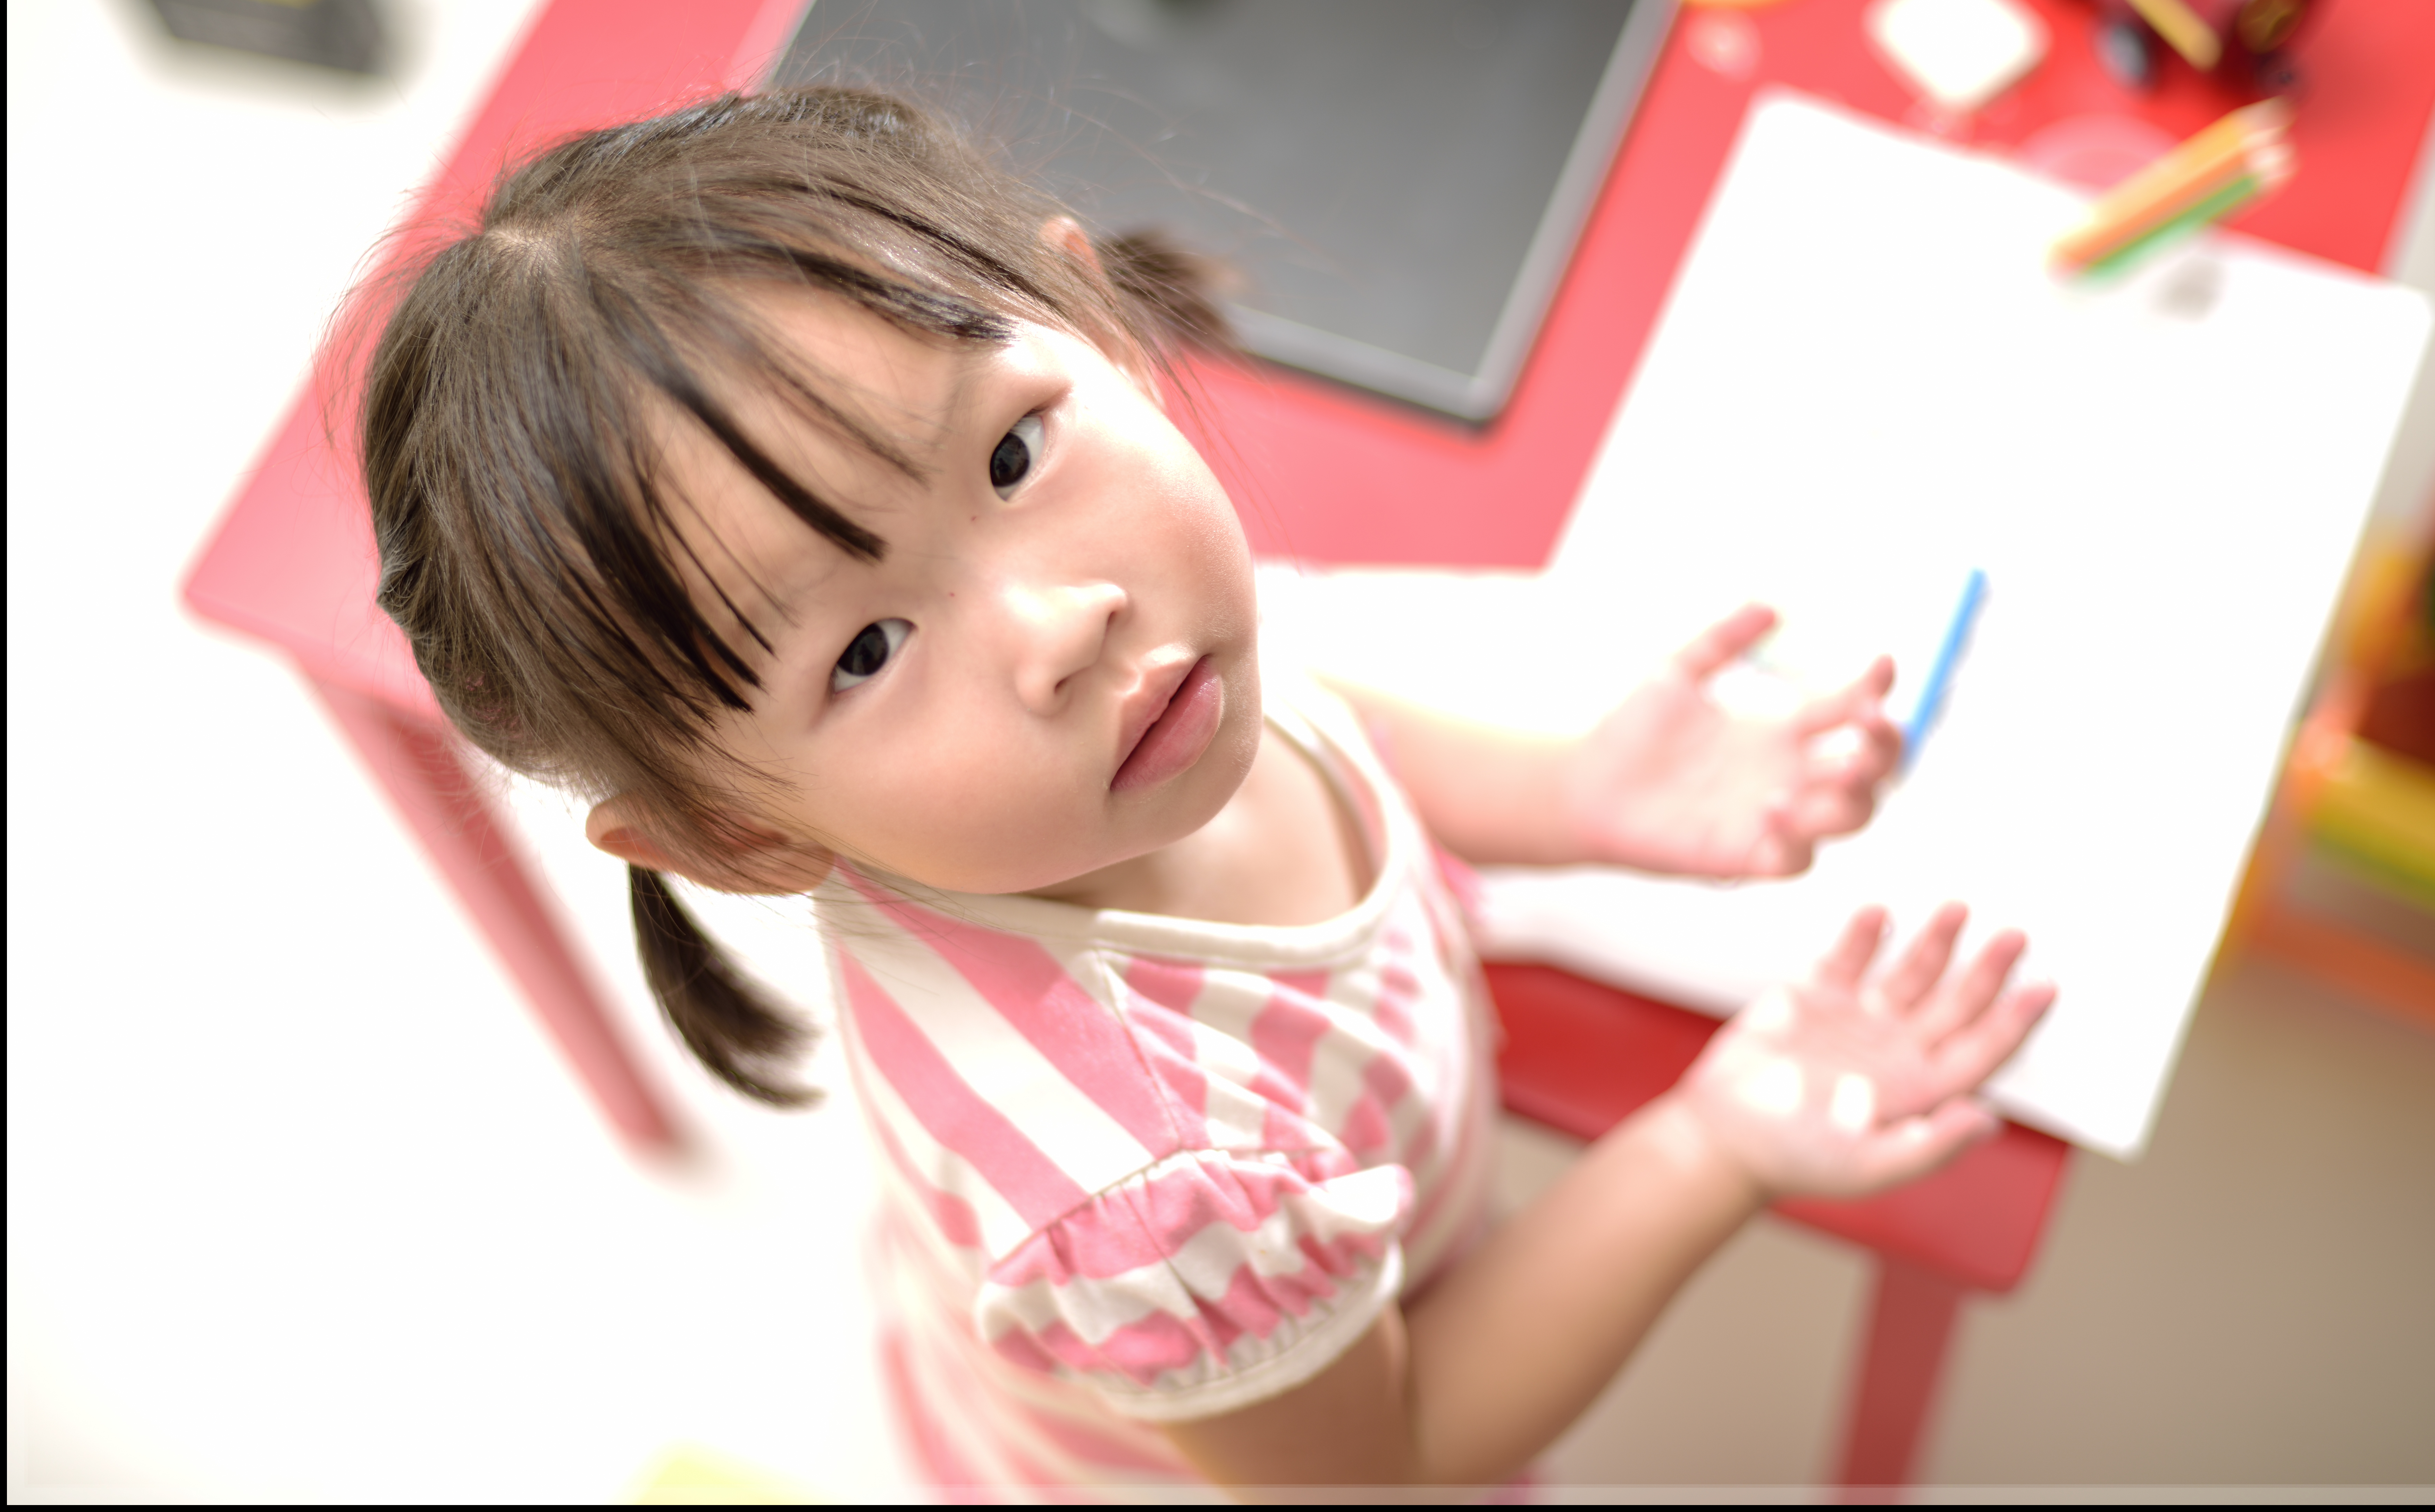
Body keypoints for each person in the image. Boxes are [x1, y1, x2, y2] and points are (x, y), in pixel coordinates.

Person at [354, 85, 2055, 1497]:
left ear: (1092, 322)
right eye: (865, 649)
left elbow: (1322, 697)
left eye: (1012, 451)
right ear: (739, 833)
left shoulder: (1142, 674)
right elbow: (1394, 1449)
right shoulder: (1138, 1194)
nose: (1059, 619)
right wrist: (1711, 1138)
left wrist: (1576, 790)